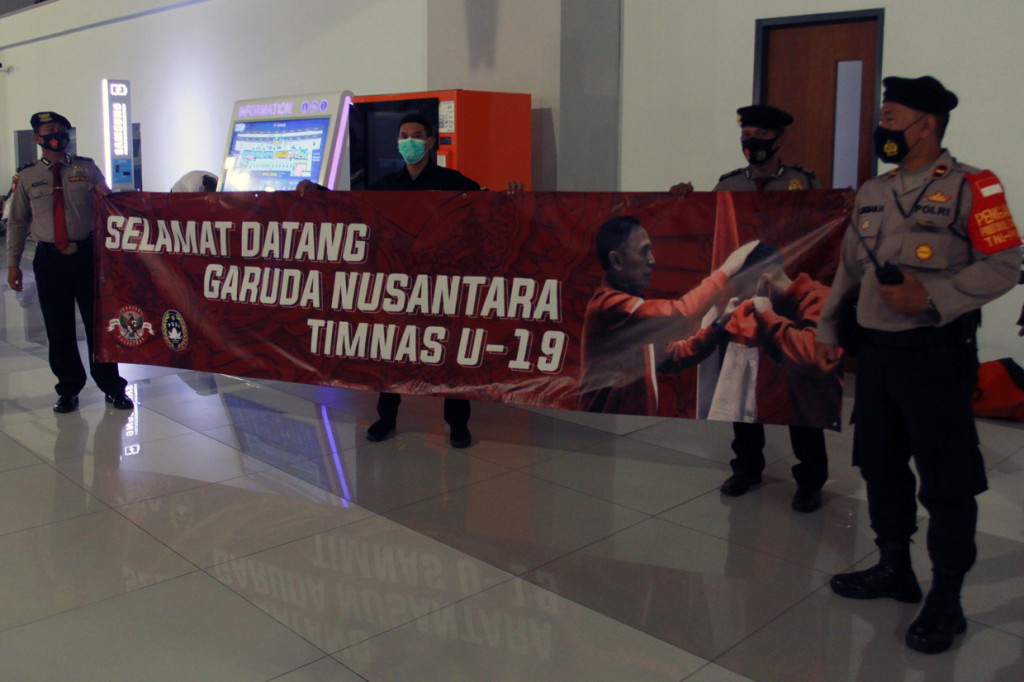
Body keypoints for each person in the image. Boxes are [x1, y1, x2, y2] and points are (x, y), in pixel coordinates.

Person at [815, 76, 1021, 654]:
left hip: (936, 356)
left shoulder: (975, 187)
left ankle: (947, 598)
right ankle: (894, 568)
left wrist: (934, 299)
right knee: (879, 465)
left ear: (926, 124)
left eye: (891, 116)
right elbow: (850, 272)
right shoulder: (873, 191)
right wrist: (828, 328)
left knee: (947, 481)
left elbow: (1007, 262)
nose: (881, 127)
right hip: (877, 357)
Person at [712, 104, 829, 513]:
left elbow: (824, 235)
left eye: (763, 135)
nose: (753, 142)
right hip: (743, 304)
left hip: (790, 302)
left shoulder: (804, 183)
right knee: (745, 392)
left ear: (780, 140)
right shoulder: (728, 187)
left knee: (800, 395)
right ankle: (746, 467)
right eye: (748, 133)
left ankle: (811, 478)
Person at [6, 111, 132, 413]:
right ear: (38, 137)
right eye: (50, 130)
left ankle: (111, 386)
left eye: (62, 129)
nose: (58, 134)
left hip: (88, 256)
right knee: (58, 328)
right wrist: (12, 263)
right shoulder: (27, 176)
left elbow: (109, 204)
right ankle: (68, 388)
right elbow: (18, 222)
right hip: (50, 260)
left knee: (99, 326)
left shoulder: (87, 169)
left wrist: (108, 195)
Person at [577, 215, 758, 414]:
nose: (652, 260)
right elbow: (679, 313)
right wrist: (726, 270)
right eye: (643, 252)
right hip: (605, 430)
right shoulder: (609, 305)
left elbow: (673, 357)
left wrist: (717, 327)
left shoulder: (631, 312)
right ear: (617, 260)